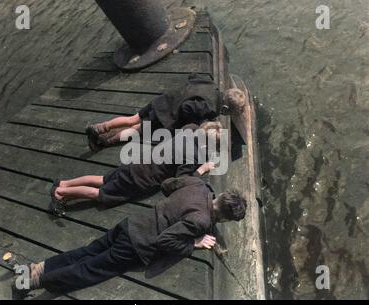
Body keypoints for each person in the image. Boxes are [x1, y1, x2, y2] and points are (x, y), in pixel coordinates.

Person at [12, 175, 247, 298]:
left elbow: (167, 185)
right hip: (135, 245)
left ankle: (37, 268)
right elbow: (165, 241)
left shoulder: (200, 186)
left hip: (130, 224)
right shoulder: (201, 221)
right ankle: (28, 282)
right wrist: (193, 243)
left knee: (87, 252)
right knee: (88, 271)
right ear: (225, 218)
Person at [49, 121, 223, 216]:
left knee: (102, 179)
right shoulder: (191, 157)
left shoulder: (189, 128)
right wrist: (202, 169)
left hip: (138, 162)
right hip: (142, 178)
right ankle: (60, 194)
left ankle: (64, 183)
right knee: (101, 194)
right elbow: (183, 179)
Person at [85, 73, 244, 151]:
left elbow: (192, 77)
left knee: (132, 119)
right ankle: (105, 142)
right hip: (164, 115)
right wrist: (195, 122)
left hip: (163, 100)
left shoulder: (210, 84)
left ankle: (99, 128)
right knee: (137, 130)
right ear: (224, 109)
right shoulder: (209, 107)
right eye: (227, 114)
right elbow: (186, 108)